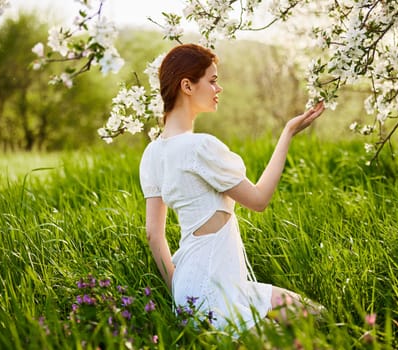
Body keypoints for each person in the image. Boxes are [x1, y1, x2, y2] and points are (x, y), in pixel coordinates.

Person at [139, 43, 326, 332]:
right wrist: (287, 134)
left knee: (314, 315)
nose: (219, 88)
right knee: (312, 324)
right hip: (214, 292)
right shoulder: (201, 146)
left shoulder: (152, 153)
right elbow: (259, 200)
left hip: (192, 288)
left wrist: (181, 295)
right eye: (212, 81)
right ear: (187, 86)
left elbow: (154, 235)